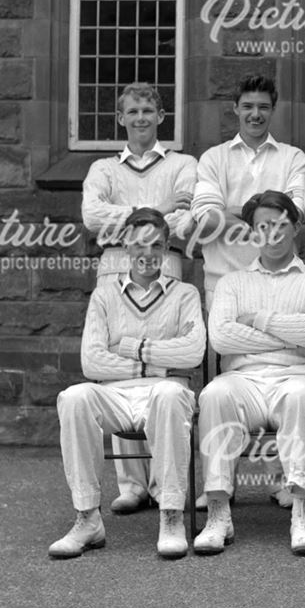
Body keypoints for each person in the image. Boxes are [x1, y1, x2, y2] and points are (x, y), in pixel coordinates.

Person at [49, 208, 205, 560]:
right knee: (74, 397)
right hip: (116, 394)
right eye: (139, 244)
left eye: (156, 245)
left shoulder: (185, 294)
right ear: (125, 247)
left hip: (166, 393)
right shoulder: (105, 295)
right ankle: (88, 518)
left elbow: (193, 352)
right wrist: (160, 364)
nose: (147, 253)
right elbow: (92, 361)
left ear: (166, 248)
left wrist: (135, 351)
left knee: (168, 392)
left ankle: (171, 516)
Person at [195, 191, 305, 557]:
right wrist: (290, 339)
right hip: (243, 379)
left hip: (298, 377)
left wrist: (259, 322)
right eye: (262, 227)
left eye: (280, 225)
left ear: (296, 228)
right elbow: (223, 337)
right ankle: (218, 512)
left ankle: (303, 512)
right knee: (214, 394)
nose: (271, 234)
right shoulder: (232, 283)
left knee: (302, 396)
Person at [80, 83, 198, 515]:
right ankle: (132, 485)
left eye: (149, 109)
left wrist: (131, 219)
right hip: (113, 265)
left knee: (160, 366)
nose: (141, 117)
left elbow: (185, 222)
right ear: (120, 117)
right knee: (116, 369)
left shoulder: (184, 164)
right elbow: (92, 216)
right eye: (133, 111)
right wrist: (152, 218)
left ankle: (162, 479)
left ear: (162, 116)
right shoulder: (103, 169)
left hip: (166, 264)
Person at [189, 75, 305, 311]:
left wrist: (230, 210)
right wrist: (267, 221)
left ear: (273, 109)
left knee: (280, 348)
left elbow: (297, 214)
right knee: (225, 348)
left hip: (281, 282)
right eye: (248, 106)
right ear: (235, 109)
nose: (255, 114)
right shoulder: (213, 158)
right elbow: (206, 218)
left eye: (263, 107)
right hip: (223, 282)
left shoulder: (294, 158)